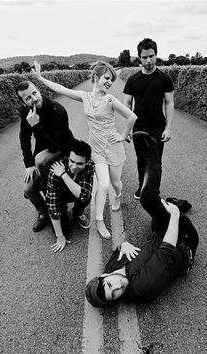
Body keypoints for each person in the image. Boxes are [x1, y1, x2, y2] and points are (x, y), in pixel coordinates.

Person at [85, 131, 199, 307]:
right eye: (114, 295)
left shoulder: (110, 269)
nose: (117, 287)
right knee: (147, 197)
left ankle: (172, 204)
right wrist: (175, 216)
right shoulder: (142, 287)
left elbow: (118, 250)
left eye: (109, 285)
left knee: (155, 203)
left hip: (158, 235)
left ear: (104, 276)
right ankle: (153, 152)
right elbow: (167, 249)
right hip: (183, 240)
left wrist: (124, 245)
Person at [32, 60, 137, 239]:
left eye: (112, 79)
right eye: (106, 78)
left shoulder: (110, 99)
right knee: (103, 185)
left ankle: (118, 194)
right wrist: (40, 78)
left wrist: (122, 135)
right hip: (96, 149)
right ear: (96, 77)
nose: (110, 82)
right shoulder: (85, 96)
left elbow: (131, 116)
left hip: (113, 148)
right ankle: (99, 222)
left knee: (115, 182)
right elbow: (61, 89)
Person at [17, 80, 75, 232]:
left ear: (38, 90)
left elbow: (55, 145)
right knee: (28, 188)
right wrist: (29, 165)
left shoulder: (57, 110)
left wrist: (36, 125)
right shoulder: (26, 113)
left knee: (41, 160)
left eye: (34, 93)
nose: (34, 99)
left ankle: (47, 188)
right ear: (24, 102)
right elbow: (24, 138)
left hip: (63, 150)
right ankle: (44, 213)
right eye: (28, 98)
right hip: (41, 154)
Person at [123, 38, 174, 200]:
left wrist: (168, 128)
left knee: (156, 162)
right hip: (138, 127)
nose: (149, 60)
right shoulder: (133, 80)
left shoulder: (165, 79)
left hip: (158, 128)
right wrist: (128, 129)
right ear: (139, 58)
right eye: (145, 57)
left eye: (151, 56)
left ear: (156, 55)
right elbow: (127, 105)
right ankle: (141, 187)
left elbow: (169, 103)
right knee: (141, 160)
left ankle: (153, 192)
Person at [46, 140, 94, 252]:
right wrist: (60, 236)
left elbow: (85, 196)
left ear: (87, 162)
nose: (74, 166)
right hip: (59, 196)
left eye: (80, 163)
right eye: (72, 161)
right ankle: (45, 213)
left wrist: (63, 175)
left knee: (86, 197)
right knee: (65, 233)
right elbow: (53, 206)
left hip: (76, 192)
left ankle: (77, 213)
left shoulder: (90, 166)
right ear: (68, 157)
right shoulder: (55, 170)